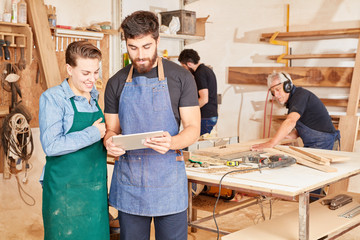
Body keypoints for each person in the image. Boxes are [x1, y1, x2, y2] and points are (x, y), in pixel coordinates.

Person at [103, 11, 200, 240]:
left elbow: (193, 128)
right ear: (125, 43)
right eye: (133, 47)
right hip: (130, 181)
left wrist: (173, 142)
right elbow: (112, 130)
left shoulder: (181, 78)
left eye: (147, 47)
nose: (140, 55)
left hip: (168, 180)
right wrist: (109, 142)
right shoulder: (115, 82)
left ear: (158, 41)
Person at [39, 41, 109, 239]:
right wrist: (94, 133)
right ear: (69, 69)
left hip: (95, 191)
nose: (92, 79)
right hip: (64, 193)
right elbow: (52, 145)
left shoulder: (93, 96)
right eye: (85, 73)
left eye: (96, 72)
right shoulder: (53, 98)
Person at [251, 71, 340, 151]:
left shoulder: (300, 96)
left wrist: (271, 143)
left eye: (278, 89)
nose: (276, 95)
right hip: (317, 144)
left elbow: (290, 121)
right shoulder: (294, 100)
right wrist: (290, 136)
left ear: (287, 86)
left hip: (325, 143)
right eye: (273, 92)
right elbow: (309, 124)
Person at [178, 49, 218, 135]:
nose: (186, 70)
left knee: (193, 143)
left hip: (206, 117)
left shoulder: (199, 73)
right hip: (210, 115)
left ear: (189, 64)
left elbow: (204, 99)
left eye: (184, 67)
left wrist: (188, 111)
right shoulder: (207, 69)